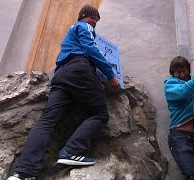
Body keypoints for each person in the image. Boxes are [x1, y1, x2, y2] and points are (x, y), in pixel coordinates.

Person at [8, 4, 119, 180]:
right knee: (99, 113)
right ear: (83, 16)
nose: (95, 23)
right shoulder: (84, 27)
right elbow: (91, 48)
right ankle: (72, 150)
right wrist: (111, 74)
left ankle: (24, 172)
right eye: (93, 19)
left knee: (47, 121)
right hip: (79, 70)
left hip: (62, 74)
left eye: (97, 21)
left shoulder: (70, 33)